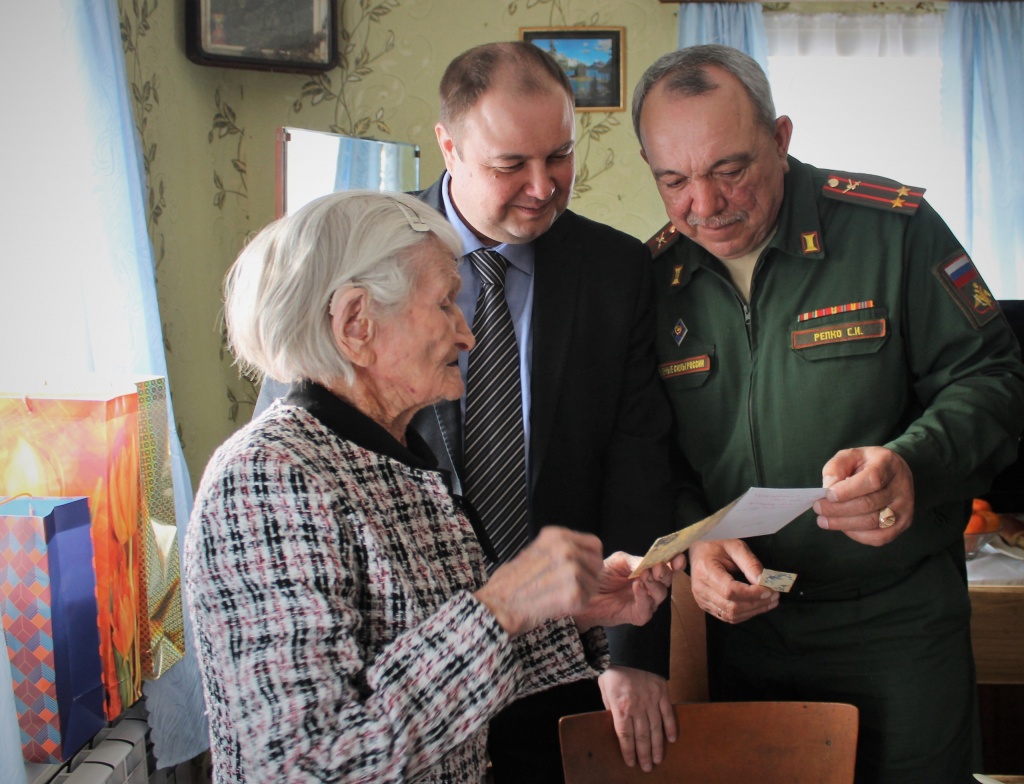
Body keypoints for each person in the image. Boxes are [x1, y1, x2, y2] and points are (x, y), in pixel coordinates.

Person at [256, 41, 677, 782]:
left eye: (560, 157)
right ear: (449, 146)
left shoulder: (613, 270)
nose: (544, 187)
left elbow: (637, 457)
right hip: (398, 695)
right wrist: (501, 609)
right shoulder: (363, 253)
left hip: (548, 664)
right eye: (511, 165)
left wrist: (605, 636)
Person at [184, 190, 683, 784]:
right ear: (356, 324)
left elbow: (452, 683)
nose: (467, 334)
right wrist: (500, 607)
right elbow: (304, 766)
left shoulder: (398, 464)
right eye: (446, 304)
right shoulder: (266, 480)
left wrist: (569, 614)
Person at [632, 44, 1024, 784]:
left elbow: (995, 377)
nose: (705, 206)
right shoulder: (656, 279)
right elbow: (655, 457)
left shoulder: (893, 230)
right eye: (674, 180)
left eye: (729, 169)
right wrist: (694, 547)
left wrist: (914, 462)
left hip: (896, 626)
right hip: (747, 635)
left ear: (781, 139)